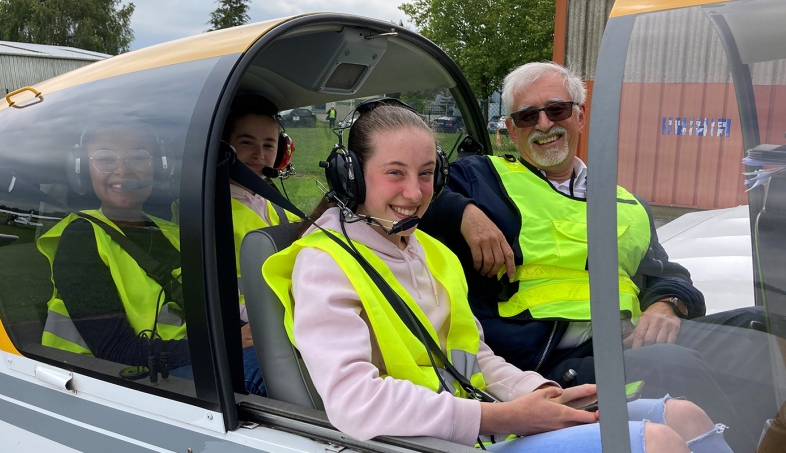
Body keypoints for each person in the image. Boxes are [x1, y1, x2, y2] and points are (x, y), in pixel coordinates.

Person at [262, 99, 732, 452]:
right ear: (352, 177)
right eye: (394, 173)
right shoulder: (324, 264)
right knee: (654, 442)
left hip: (478, 423)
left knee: (684, 415)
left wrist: (538, 393)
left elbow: (470, 357)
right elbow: (354, 402)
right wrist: (500, 415)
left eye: (426, 174)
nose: (414, 192)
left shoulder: (429, 252)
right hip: (429, 442)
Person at [419, 61, 786, 452]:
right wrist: (463, 213)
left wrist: (666, 304)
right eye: (527, 116)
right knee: (677, 365)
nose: (544, 124)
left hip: (630, 340)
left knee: (761, 333)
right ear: (511, 129)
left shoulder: (626, 201)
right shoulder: (480, 178)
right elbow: (418, 194)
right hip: (549, 359)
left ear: (580, 115)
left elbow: (667, 273)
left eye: (556, 110)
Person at [39, 121, 191, 376]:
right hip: (109, 377)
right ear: (83, 170)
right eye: (106, 159)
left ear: (161, 166)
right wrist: (228, 345)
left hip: (177, 357)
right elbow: (115, 350)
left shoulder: (170, 232)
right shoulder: (80, 239)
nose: (123, 170)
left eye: (138, 157)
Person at [223, 93, 298, 396]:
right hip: (253, 329)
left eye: (269, 145)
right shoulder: (212, 208)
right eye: (246, 143)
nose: (259, 154)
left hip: (285, 323)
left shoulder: (274, 204)